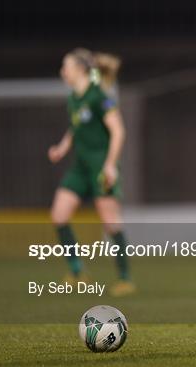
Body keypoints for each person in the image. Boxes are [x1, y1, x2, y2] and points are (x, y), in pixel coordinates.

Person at [48, 48, 135, 297]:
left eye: (66, 67)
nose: (62, 72)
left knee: (110, 223)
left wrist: (110, 164)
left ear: (80, 70)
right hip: (80, 167)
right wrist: (62, 147)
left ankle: (125, 278)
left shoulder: (100, 96)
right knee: (59, 215)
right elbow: (76, 126)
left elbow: (118, 131)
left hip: (101, 166)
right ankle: (78, 272)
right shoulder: (74, 98)